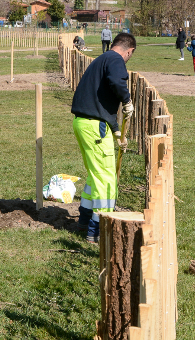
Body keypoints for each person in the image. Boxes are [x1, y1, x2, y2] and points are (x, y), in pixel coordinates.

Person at [71, 32, 136, 243]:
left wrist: (116, 131)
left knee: (94, 174)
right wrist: (127, 100)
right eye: (130, 56)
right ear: (129, 51)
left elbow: (100, 102)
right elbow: (117, 81)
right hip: (95, 126)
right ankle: (100, 229)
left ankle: (84, 220)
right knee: (107, 179)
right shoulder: (116, 59)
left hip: (84, 123)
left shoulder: (102, 59)